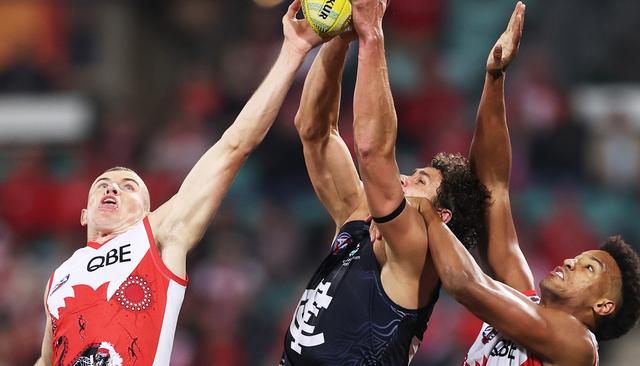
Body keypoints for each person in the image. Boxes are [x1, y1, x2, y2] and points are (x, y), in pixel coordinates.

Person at [33, 2, 324, 365]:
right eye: (103, 184)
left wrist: (292, 53)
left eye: (129, 187)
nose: (112, 188)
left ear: (148, 211)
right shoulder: (58, 278)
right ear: (82, 214)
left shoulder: (156, 235)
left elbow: (233, 147)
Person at [414, 2, 640, 365]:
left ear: (603, 305)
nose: (570, 261)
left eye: (589, 268)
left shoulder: (579, 346)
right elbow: (493, 186)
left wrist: (425, 210)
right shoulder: (522, 300)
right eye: (580, 258)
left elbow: (464, 283)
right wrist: (495, 77)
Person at [280, 0, 489, 364]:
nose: (404, 178)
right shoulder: (360, 216)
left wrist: (370, 33)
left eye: (420, 181)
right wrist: (338, 37)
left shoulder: (416, 252)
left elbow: (373, 153)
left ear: (441, 216)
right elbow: (315, 130)